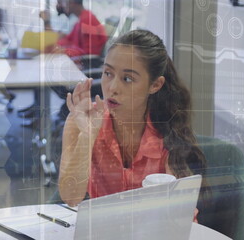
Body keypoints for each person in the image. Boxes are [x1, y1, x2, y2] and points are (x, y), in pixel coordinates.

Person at [59, 30, 207, 208]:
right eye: (108, 73)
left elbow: (179, 214)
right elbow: (71, 197)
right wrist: (87, 135)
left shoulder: (168, 128)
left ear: (155, 85)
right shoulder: (81, 120)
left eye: (127, 79)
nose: (112, 88)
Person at [40, 0, 107, 57]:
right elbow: (67, 39)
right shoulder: (80, 19)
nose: (63, 5)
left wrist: (65, 51)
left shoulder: (87, 20)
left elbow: (90, 54)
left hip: (83, 67)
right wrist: (54, 46)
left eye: (64, 2)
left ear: (72, 2)